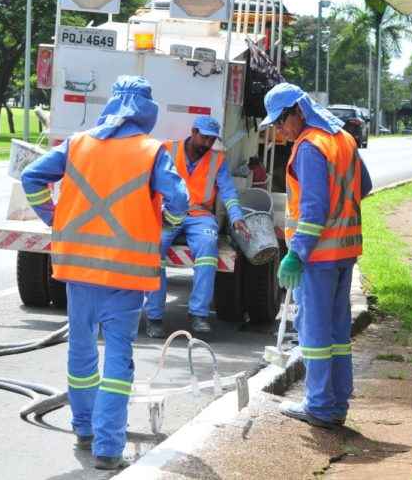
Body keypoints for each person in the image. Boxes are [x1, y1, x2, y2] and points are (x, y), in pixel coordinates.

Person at [20, 75, 188, 470]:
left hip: (78, 270)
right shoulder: (151, 151)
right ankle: (108, 448)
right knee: (118, 358)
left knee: (81, 352)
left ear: (111, 105)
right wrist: (167, 223)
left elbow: (31, 177)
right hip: (126, 275)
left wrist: (54, 217)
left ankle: (84, 429)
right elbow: (180, 198)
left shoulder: (78, 143)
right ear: (146, 111)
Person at [260, 83, 372, 429]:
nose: (279, 130)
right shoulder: (343, 139)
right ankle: (336, 402)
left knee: (315, 333)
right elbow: (363, 186)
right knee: (337, 332)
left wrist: (296, 254)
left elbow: (313, 209)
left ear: (298, 111)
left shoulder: (309, 147)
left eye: (281, 122)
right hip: (345, 252)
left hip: (319, 256)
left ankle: (320, 406)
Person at [143, 117, 251, 338]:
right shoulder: (167, 150)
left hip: (200, 214)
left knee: (207, 247)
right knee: (155, 248)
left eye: (212, 140)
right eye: (204, 137)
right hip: (169, 211)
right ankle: (154, 317)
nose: (207, 143)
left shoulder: (217, 160)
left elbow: (228, 191)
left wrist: (236, 216)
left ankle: (198, 314)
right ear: (192, 132)